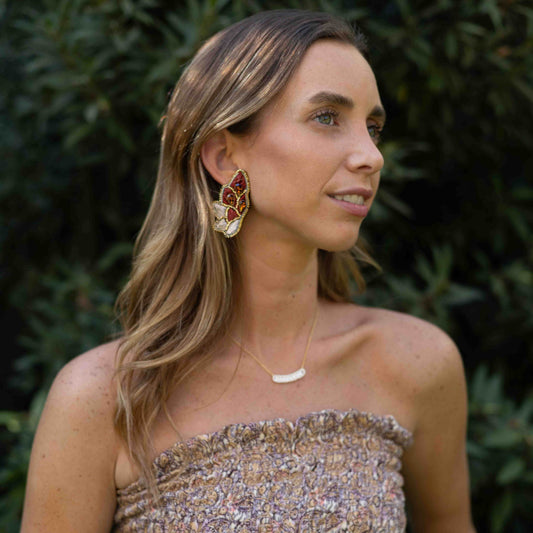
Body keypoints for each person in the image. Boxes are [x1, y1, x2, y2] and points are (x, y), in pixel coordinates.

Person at [21, 10, 476, 533]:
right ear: (223, 157)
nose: (371, 156)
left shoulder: (415, 364)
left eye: (372, 128)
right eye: (327, 117)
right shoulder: (106, 399)